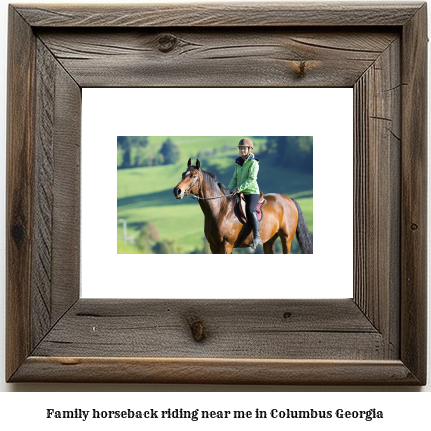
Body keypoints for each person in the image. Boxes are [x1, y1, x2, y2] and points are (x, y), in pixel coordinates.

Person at [228, 138, 262, 248]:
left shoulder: (253, 163)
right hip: (240, 191)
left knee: (250, 209)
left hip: (251, 192)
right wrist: (228, 191)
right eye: (241, 149)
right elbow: (234, 178)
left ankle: (257, 237)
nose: (242, 151)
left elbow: (251, 180)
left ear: (249, 149)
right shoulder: (238, 163)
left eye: (244, 149)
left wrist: (238, 189)